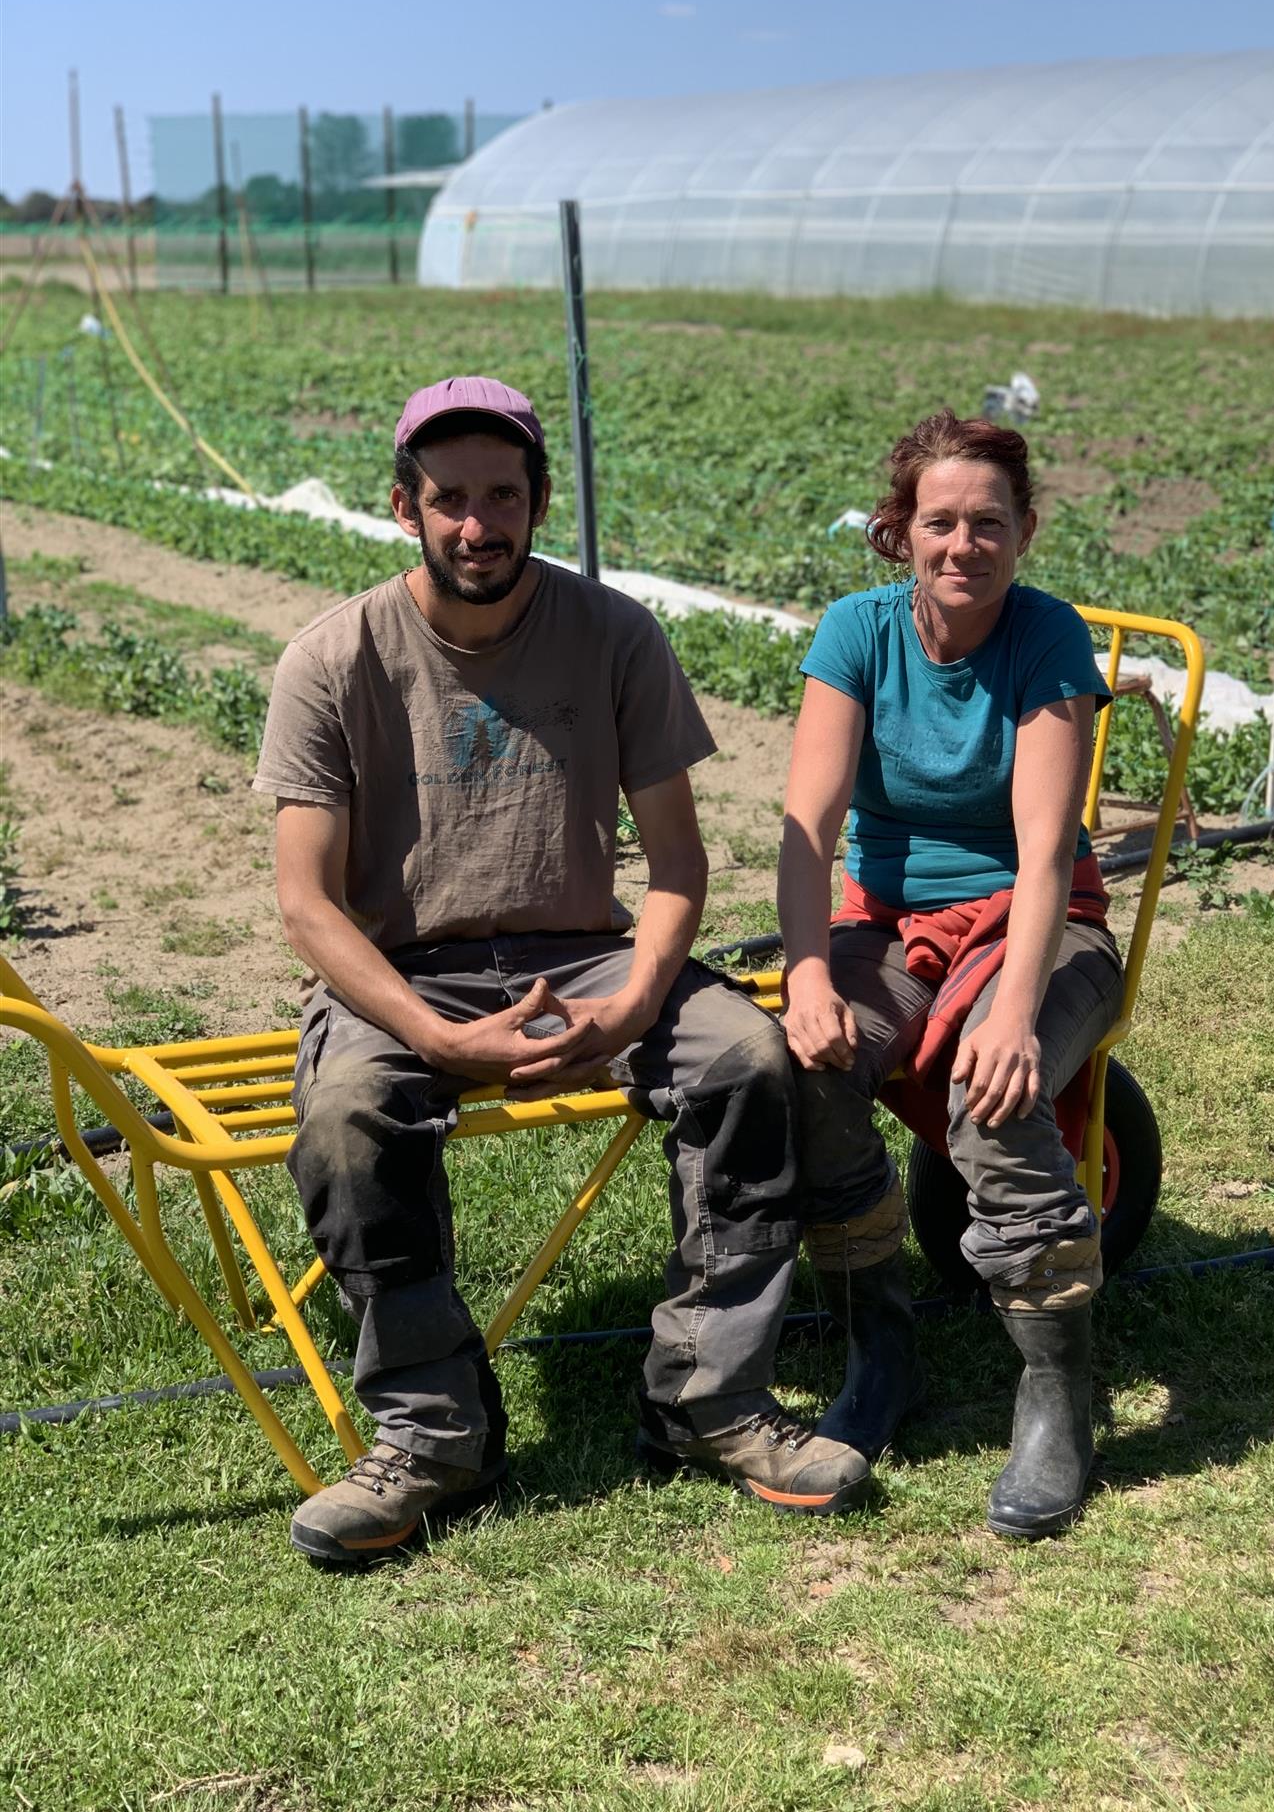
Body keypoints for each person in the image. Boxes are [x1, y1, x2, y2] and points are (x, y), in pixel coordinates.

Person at [254, 376, 869, 1565]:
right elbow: (308, 906)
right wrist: (434, 1038)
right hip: (401, 973)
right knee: (343, 1112)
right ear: (403, 508)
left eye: (502, 495)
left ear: (538, 502)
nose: (476, 524)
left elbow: (678, 864)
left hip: (584, 953)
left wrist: (638, 998)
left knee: (745, 1059)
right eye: (449, 500)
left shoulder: (615, 634)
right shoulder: (331, 661)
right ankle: (433, 1432)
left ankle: (707, 1398)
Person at [777, 410, 1124, 1540]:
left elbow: (1046, 852)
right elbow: (808, 826)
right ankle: (883, 1344)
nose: (961, 545)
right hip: (887, 923)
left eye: (987, 524)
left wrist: (1015, 1010)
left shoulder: (1046, 639)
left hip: (1041, 926)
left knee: (992, 1088)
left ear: (1024, 532)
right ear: (899, 532)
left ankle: (1054, 1388)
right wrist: (809, 974)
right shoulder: (856, 634)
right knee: (814, 1064)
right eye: (939, 522)